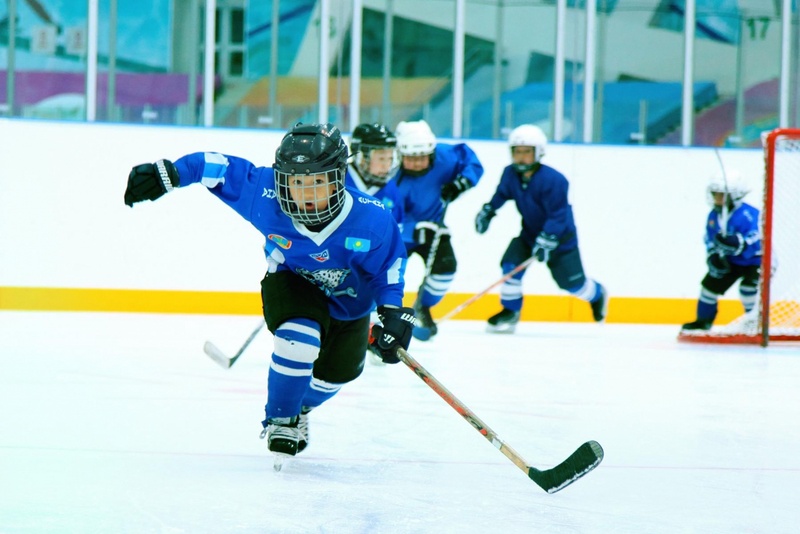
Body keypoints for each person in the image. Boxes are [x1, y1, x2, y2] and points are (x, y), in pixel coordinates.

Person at [123, 122, 415, 466]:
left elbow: (389, 268)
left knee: (337, 375)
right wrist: (170, 173)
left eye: (318, 182)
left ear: (339, 178)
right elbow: (215, 166)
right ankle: (281, 419)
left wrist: (393, 311)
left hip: (352, 304)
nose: (305, 192)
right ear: (281, 180)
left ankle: (301, 406)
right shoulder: (265, 196)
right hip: (291, 281)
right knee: (298, 339)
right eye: (296, 182)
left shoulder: (372, 217)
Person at [474, 124, 607, 333]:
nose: (521, 157)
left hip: (561, 240)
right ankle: (511, 310)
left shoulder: (555, 180)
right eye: (517, 152)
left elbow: (558, 215)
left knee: (572, 285)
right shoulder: (510, 174)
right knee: (510, 265)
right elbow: (502, 194)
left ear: (539, 152)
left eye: (527, 152)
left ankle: (597, 293)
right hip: (529, 235)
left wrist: (548, 239)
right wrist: (489, 211)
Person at [393, 119, 484, 340]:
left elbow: (471, 161)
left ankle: (423, 307)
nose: (416, 163)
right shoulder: (390, 176)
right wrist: (413, 230)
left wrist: (463, 182)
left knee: (445, 269)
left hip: (434, 228)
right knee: (389, 277)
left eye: (422, 158)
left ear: (432, 154)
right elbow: (384, 218)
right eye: (411, 158)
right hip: (397, 236)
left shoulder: (444, 157)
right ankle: (387, 316)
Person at [680, 171, 761, 331]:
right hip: (731, 261)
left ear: (735, 195)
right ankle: (703, 322)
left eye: (722, 195)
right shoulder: (714, 215)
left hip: (756, 260)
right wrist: (713, 256)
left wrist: (740, 243)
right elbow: (709, 238)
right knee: (709, 288)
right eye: (715, 194)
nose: (717, 198)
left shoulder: (749, 214)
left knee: (748, 288)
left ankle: (754, 323)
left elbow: (757, 237)